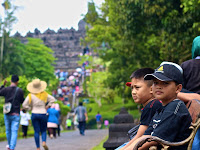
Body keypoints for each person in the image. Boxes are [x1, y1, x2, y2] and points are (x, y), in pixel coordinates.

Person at [125, 62, 192, 150]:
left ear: (178, 88)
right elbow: (146, 136)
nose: (159, 87)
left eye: (165, 83)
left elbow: (155, 139)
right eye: (156, 83)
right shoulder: (162, 108)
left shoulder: (175, 108)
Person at [117, 68, 163, 150]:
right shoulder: (153, 104)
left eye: (137, 87)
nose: (133, 92)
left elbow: (139, 137)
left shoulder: (151, 107)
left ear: (151, 89)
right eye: (132, 88)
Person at [22, 79, 55, 150]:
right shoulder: (45, 94)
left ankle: (38, 147)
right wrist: (48, 106)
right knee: (43, 130)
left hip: (34, 113)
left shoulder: (30, 95)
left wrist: (30, 108)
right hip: (43, 113)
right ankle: (43, 142)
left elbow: (24, 104)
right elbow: (53, 99)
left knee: (36, 131)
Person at [0, 75, 24, 150]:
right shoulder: (20, 90)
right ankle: (11, 147)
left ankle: (10, 145)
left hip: (7, 113)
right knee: (14, 131)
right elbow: (22, 101)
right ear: (17, 82)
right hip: (16, 113)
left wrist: (3, 85)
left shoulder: (6, 89)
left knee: (8, 130)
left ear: (10, 81)